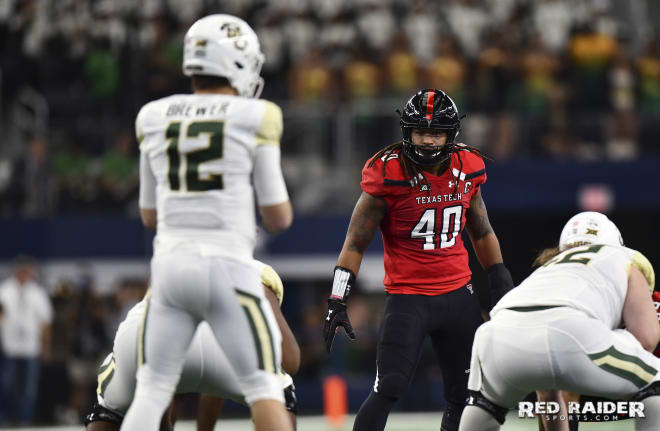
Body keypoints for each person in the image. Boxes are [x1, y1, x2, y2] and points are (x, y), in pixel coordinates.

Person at [120, 14, 293, 431]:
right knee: (264, 386)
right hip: (227, 269)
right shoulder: (257, 115)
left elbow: (149, 215)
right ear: (236, 61)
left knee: (152, 390)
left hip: (169, 271)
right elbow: (278, 216)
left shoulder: (152, 115)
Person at [323, 88, 514, 431]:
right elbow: (355, 242)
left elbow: (482, 230)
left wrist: (499, 277)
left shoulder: (467, 166)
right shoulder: (388, 172)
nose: (427, 140)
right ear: (407, 132)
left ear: (451, 134)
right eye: (421, 131)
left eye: (436, 132)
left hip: (459, 294)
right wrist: (338, 299)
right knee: (389, 387)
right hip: (408, 296)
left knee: (466, 394)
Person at [458, 211, 660, 431]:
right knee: (655, 380)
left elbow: (547, 389)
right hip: (570, 330)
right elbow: (645, 340)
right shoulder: (624, 258)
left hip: (494, 334)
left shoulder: (547, 269)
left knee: (484, 406)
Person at [85, 262, 299, 431]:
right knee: (280, 390)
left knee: (109, 404)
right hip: (224, 348)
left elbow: (169, 388)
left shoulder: (167, 261)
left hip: (146, 341)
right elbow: (291, 360)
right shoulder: (253, 269)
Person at [0, 255, 53, 424]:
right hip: (9, 347)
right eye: (22, 270)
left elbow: (45, 322)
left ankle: (25, 421)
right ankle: (6, 419)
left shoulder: (37, 292)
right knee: (6, 385)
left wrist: (46, 348)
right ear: (16, 271)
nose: (24, 273)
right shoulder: (4, 290)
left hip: (31, 348)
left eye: (27, 270)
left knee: (28, 389)